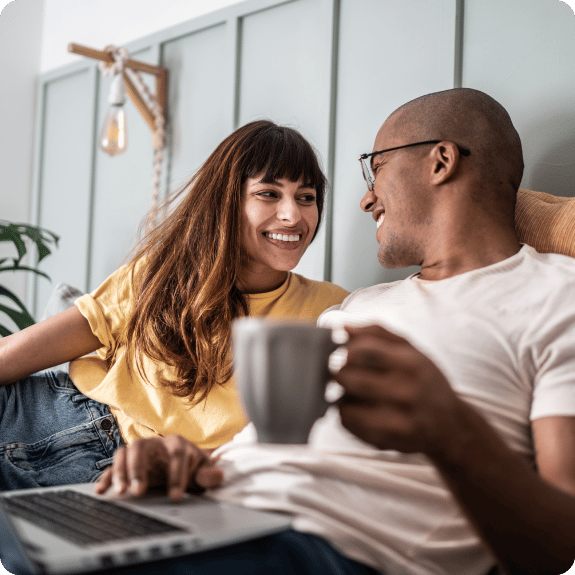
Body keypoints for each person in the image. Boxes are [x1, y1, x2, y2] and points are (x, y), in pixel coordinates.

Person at [94, 88, 575, 575]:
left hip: (318, 551)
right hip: (204, 512)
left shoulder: (558, 296)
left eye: (377, 166)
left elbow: (557, 546)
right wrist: (190, 461)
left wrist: (451, 429)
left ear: (441, 161)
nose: (367, 198)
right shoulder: (357, 306)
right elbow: (271, 452)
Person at [0, 120, 349, 491]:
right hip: (52, 407)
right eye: (268, 193)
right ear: (227, 200)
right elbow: (12, 353)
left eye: (306, 197)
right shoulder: (160, 275)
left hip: (137, 472)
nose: (293, 215)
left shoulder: (334, 310)